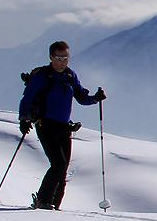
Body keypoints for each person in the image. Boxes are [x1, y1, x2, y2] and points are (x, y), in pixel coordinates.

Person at [18, 40, 105, 210]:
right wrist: (24, 119)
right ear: (51, 57)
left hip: (64, 127)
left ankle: (53, 205)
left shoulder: (70, 76)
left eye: (66, 58)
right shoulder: (43, 76)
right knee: (58, 164)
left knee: (63, 168)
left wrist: (95, 98)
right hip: (45, 125)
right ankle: (43, 201)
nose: (63, 62)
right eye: (59, 58)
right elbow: (27, 98)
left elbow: (81, 97)